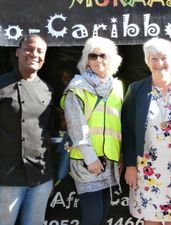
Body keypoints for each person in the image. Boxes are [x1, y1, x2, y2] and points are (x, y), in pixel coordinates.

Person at [0, 35, 54, 225]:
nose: (34, 54)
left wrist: (49, 179)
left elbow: (46, 137)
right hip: (6, 179)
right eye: (29, 48)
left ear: (44, 57)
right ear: (18, 52)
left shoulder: (47, 90)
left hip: (41, 178)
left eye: (40, 51)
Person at [122, 37, 171, 225]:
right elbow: (128, 131)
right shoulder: (136, 89)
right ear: (147, 61)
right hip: (147, 169)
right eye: (153, 58)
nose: (159, 63)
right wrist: (130, 165)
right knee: (151, 220)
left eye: (163, 57)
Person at [63, 36, 123, 225]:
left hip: (110, 163)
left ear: (111, 58)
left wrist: (120, 155)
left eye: (103, 55)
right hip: (86, 162)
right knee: (92, 218)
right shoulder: (77, 87)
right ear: (86, 60)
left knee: (102, 217)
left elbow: (119, 125)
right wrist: (91, 159)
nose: (98, 60)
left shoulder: (117, 87)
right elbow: (75, 126)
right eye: (93, 56)